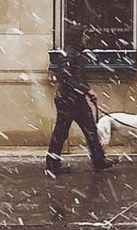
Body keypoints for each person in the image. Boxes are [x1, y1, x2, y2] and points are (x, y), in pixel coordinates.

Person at [45, 29, 114, 177]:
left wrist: (86, 90)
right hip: (67, 100)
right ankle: (52, 165)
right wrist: (86, 90)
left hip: (76, 100)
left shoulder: (75, 53)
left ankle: (99, 160)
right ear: (77, 38)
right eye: (84, 36)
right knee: (61, 132)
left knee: (90, 130)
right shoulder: (69, 54)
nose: (86, 39)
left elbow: (77, 78)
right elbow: (66, 77)